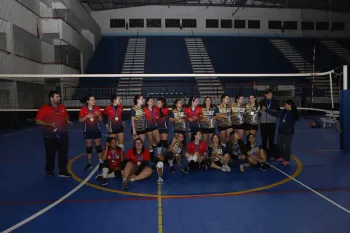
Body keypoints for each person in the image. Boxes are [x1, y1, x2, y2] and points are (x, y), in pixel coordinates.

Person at [35, 90, 72, 177]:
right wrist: (49, 124)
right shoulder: (44, 109)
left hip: (63, 134)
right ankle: (49, 170)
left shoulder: (62, 107)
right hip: (50, 135)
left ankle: (62, 171)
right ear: (51, 98)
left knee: (63, 153)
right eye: (57, 97)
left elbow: (66, 115)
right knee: (50, 154)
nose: (59, 98)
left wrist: (67, 120)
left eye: (59, 96)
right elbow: (38, 121)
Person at [79, 95, 103, 171]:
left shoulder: (97, 108)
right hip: (88, 131)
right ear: (88, 101)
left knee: (98, 147)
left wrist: (98, 115)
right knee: (89, 147)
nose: (94, 101)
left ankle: (100, 163)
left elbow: (101, 120)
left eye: (94, 100)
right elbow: (80, 120)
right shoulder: (83, 109)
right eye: (92, 100)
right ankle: (89, 163)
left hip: (96, 130)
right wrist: (86, 116)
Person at [276, 99, 299, 165]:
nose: (284, 106)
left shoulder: (292, 113)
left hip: (288, 133)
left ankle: (286, 159)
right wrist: (267, 110)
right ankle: (282, 156)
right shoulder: (284, 112)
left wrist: (289, 111)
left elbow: (289, 122)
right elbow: (276, 113)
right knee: (280, 145)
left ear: (290, 105)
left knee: (287, 146)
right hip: (281, 132)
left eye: (286, 105)